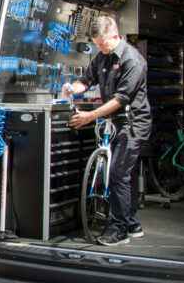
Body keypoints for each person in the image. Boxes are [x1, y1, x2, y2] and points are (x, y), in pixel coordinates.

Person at [64, 15, 152, 246]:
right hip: (115, 123)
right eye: (97, 45)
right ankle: (133, 224)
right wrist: (73, 88)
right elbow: (87, 79)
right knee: (126, 176)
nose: (100, 48)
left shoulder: (132, 60)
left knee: (118, 174)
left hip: (133, 124)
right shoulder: (102, 57)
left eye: (103, 44)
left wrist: (90, 116)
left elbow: (122, 99)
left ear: (116, 35)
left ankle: (119, 229)